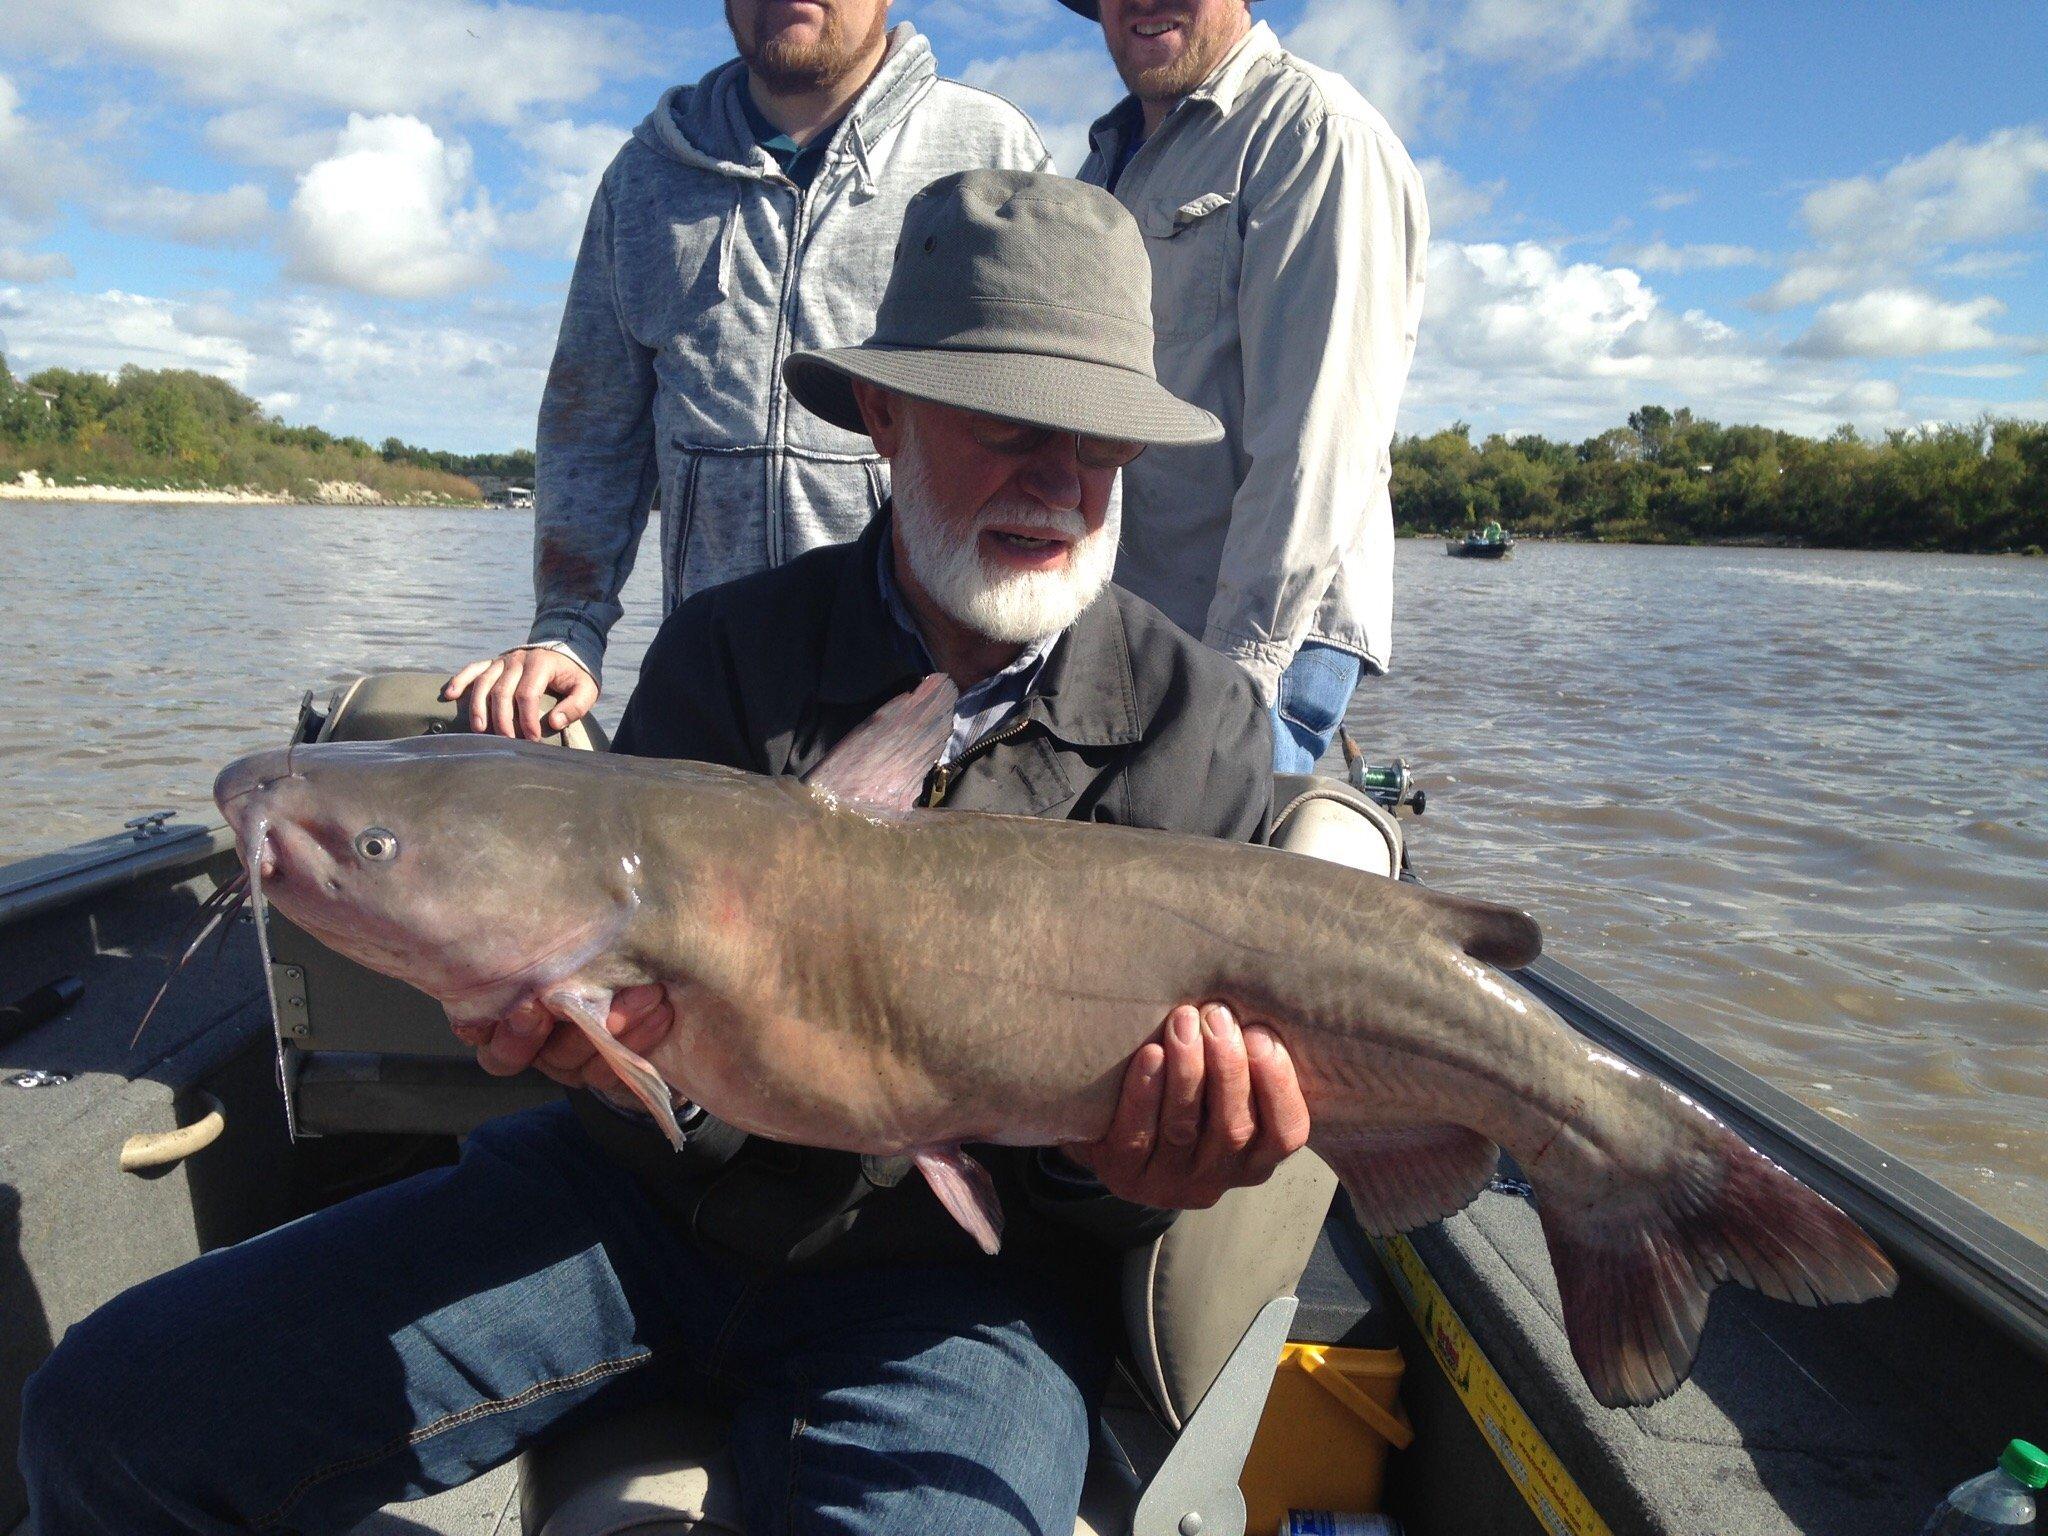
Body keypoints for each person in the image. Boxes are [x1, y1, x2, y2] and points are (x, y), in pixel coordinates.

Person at [19, 171, 1312, 1536]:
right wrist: (631, 1080)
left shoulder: (1199, 725)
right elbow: (614, 1035)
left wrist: (1135, 1166)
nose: (1061, 483)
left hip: (955, 1290)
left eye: (1101, 447)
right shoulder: (727, 644)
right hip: (631, 1216)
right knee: (105, 1414)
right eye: (1010, 428)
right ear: (884, 412)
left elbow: (1096, 1203)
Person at [443, 0, 1050, 741]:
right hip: (713, 683)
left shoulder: (989, 150)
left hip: (928, 700)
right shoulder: (645, 177)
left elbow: (1063, 419)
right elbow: (592, 431)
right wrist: (568, 627)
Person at [1061, 0, 1430, 771]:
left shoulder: (1314, 133)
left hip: (1258, 642)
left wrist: (1230, 687)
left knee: (1197, 882)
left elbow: (1318, 445)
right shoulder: (1107, 158)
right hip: (1130, 630)